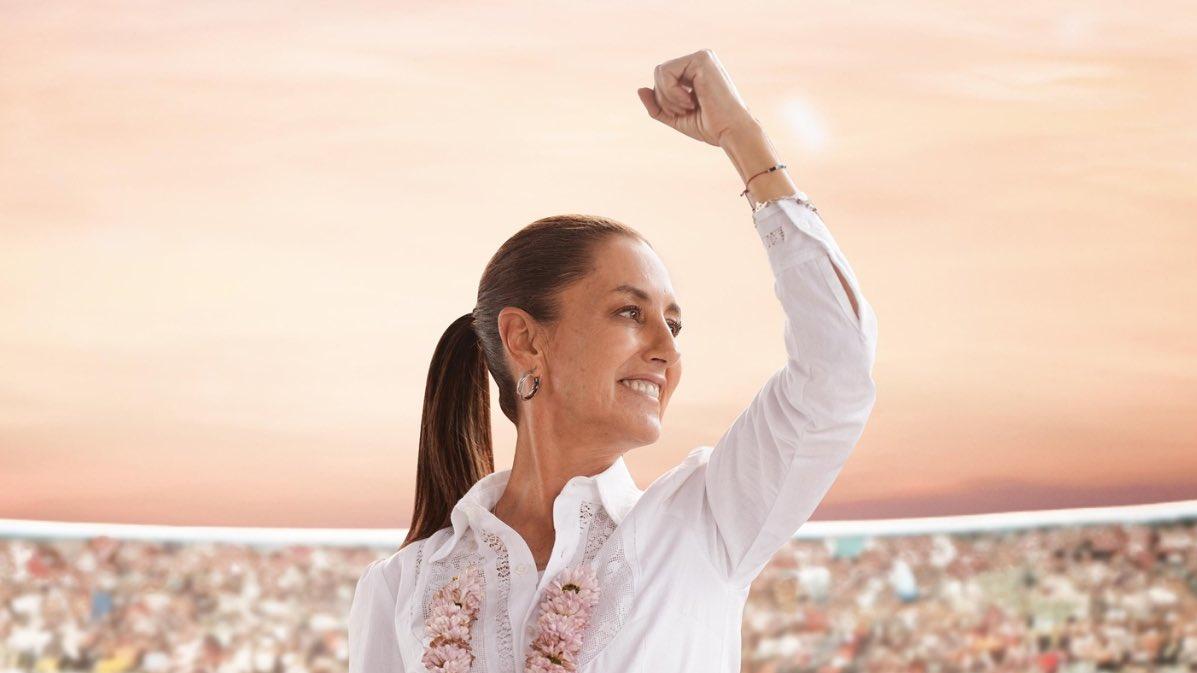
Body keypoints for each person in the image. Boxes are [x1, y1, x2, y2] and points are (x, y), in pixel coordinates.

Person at [348, 48, 878, 673]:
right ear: (524, 340)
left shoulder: (705, 526)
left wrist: (741, 138)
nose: (667, 349)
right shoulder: (402, 589)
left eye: (674, 324)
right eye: (630, 312)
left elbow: (838, 365)